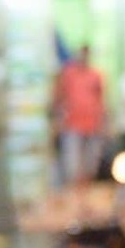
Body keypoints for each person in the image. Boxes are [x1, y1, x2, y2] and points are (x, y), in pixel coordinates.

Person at [51, 44, 107, 192]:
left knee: (90, 166)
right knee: (73, 166)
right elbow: (58, 97)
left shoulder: (96, 75)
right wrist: (57, 120)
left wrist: (104, 123)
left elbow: (101, 99)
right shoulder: (68, 74)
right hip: (73, 126)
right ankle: (74, 198)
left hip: (93, 125)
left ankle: (85, 198)